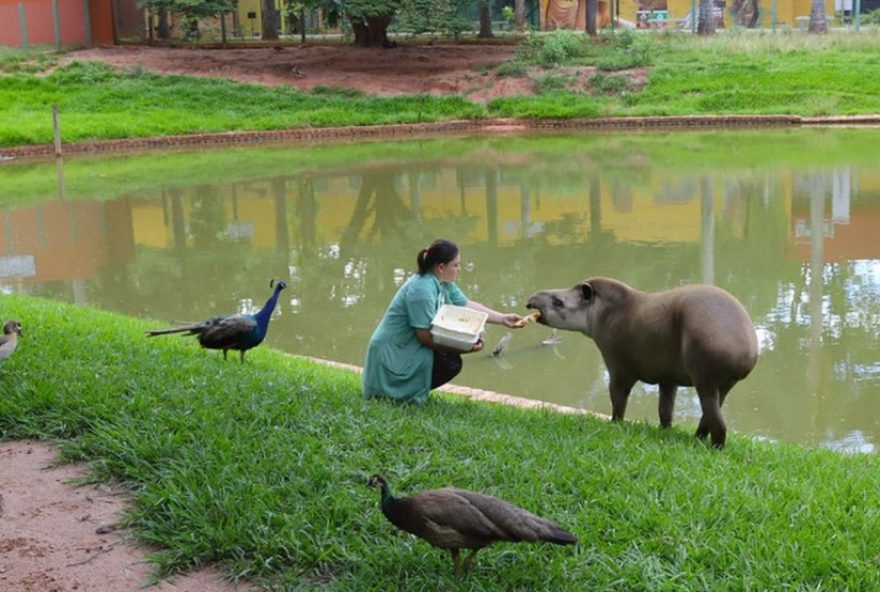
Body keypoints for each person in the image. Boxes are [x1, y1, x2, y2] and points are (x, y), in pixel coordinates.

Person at [363, 238, 525, 404]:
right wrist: (465, 347)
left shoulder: (442, 282)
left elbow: (466, 304)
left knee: (450, 360)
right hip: (393, 352)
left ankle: (404, 393)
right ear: (441, 267)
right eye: (455, 265)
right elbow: (425, 337)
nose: (459, 269)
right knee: (450, 362)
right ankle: (398, 396)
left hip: (406, 346)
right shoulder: (422, 290)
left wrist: (503, 318)